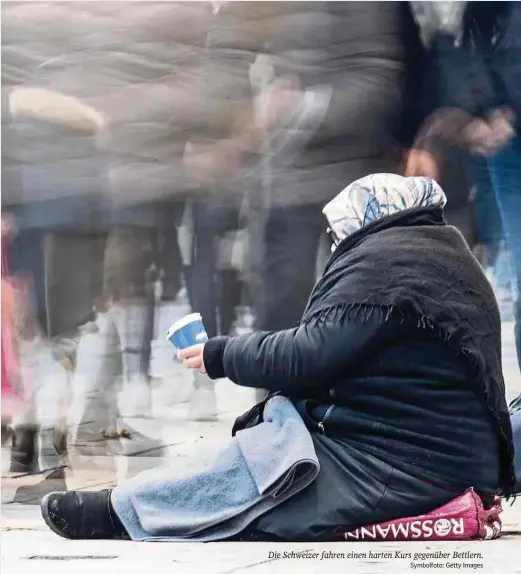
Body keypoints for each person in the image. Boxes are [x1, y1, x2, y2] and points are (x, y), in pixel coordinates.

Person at [40, 174, 515, 541]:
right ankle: (128, 504)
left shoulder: (389, 267)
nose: (333, 246)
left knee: (260, 478)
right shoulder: (433, 256)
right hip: (423, 453)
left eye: (338, 235)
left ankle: (118, 513)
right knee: (264, 450)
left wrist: (221, 354)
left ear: (365, 227)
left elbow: (308, 354)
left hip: (404, 466)